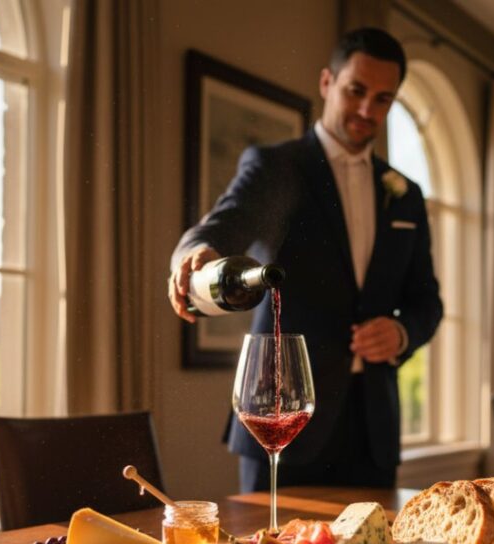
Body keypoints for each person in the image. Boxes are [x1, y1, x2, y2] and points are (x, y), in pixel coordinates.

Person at [168, 27, 442, 492]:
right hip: (283, 422)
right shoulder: (278, 167)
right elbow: (225, 223)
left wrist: (400, 333)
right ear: (327, 83)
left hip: (373, 431)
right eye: (356, 91)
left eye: (382, 99)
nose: (366, 110)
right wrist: (195, 250)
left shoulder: (406, 195)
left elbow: (427, 302)